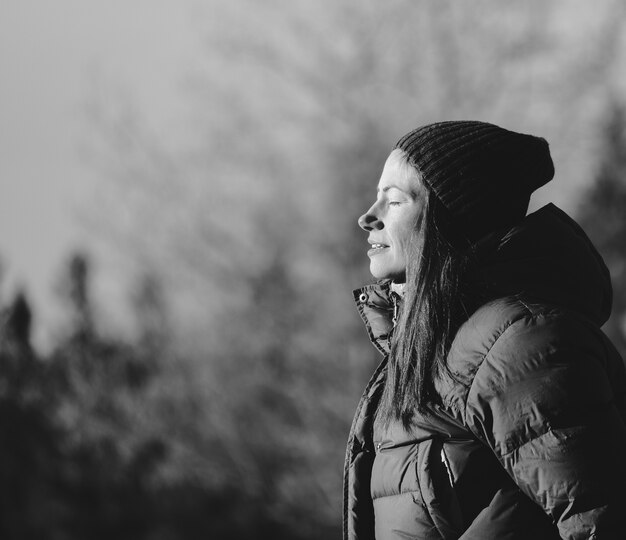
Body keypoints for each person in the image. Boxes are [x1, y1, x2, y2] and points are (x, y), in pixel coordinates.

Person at [344, 121, 626, 540]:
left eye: (395, 201)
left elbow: (597, 518)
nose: (369, 217)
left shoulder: (519, 344)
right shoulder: (427, 346)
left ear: (451, 219)